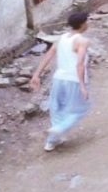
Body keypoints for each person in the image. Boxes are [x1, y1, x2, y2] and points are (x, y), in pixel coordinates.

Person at [29, 12, 91, 152]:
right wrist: (82, 86)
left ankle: (51, 142)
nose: (88, 23)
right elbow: (79, 64)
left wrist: (36, 74)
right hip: (74, 80)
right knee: (80, 109)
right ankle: (58, 129)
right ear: (82, 24)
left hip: (59, 79)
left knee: (57, 109)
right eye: (87, 21)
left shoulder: (61, 38)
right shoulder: (82, 41)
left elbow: (48, 56)